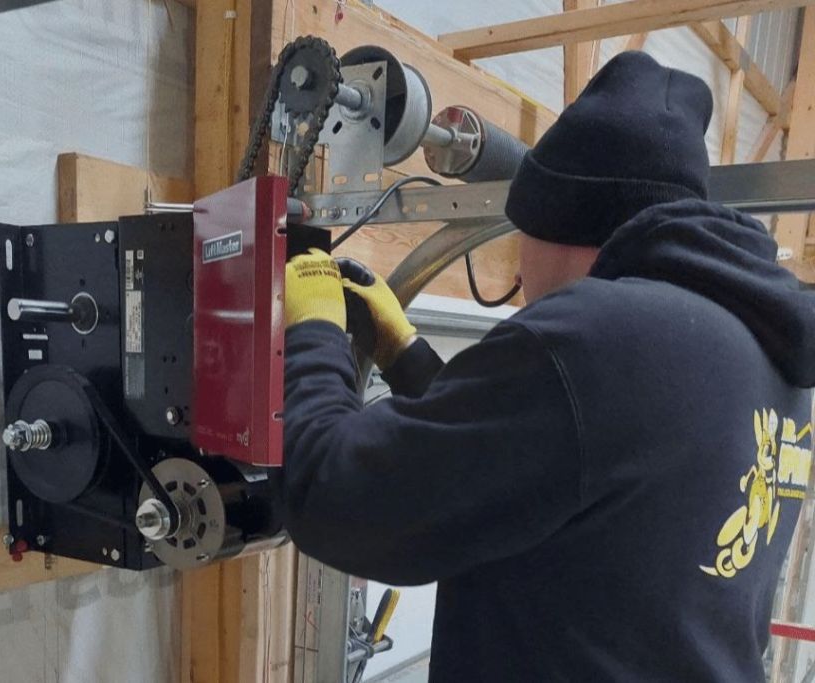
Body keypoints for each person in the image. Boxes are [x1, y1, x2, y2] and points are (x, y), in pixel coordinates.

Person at [279, 51, 815, 681]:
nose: (520, 266)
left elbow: (335, 499)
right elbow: (555, 463)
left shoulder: (596, 338)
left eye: (521, 234)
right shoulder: (761, 346)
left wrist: (313, 334)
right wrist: (405, 354)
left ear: (560, 222)